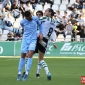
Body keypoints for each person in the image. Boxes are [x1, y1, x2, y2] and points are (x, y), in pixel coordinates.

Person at [17, 10, 43, 81]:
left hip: (33, 39)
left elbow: (40, 25)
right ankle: (19, 72)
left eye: (31, 15)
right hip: (25, 39)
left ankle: (27, 73)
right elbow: (23, 29)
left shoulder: (35, 18)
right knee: (23, 55)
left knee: (30, 54)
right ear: (26, 17)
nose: (31, 17)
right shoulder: (22, 22)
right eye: (29, 17)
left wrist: (41, 33)